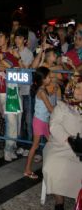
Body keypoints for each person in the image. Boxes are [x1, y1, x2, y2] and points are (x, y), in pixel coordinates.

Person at [42, 72, 82, 209]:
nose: (81, 91)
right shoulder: (62, 106)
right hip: (60, 145)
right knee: (53, 165)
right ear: (71, 88)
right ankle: (59, 201)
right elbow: (54, 125)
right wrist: (70, 141)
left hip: (80, 150)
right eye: (78, 87)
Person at [23, 67, 54, 179]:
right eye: (49, 77)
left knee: (51, 142)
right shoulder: (41, 92)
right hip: (40, 122)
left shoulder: (43, 89)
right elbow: (50, 109)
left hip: (43, 121)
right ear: (43, 79)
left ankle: (51, 167)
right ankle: (27, 170)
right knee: (35, 146)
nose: (50, 79)